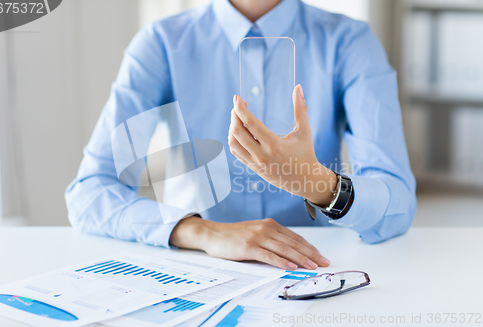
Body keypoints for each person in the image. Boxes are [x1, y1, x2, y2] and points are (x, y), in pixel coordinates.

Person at [65, 0, 416, 271]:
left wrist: (316, 183)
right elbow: (89, 194)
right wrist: (202, 232)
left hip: (314, 269)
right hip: (195, 270)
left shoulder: (350, 42)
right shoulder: (161, 43)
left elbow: (398, 206)